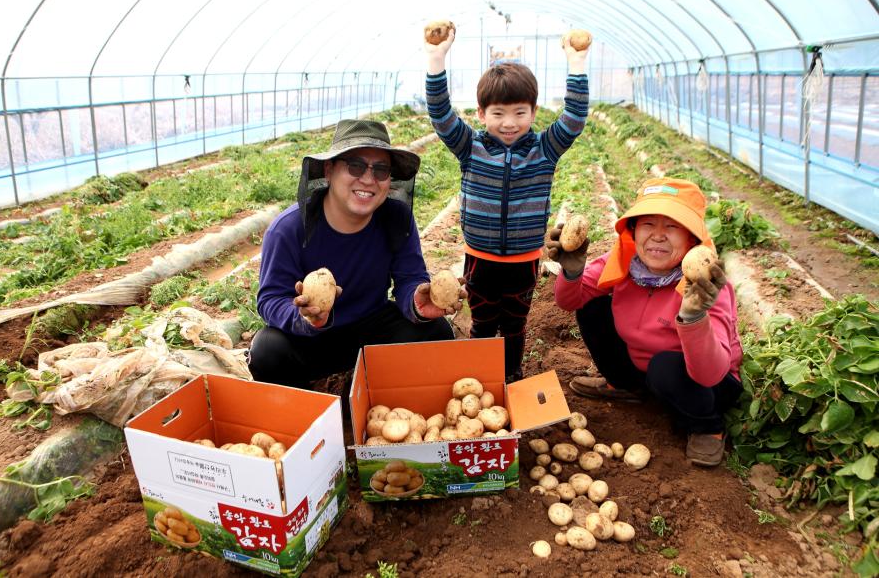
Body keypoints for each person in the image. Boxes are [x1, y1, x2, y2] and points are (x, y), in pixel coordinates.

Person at [424, 23, 590, 381]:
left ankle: (512, 373)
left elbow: (574, 118)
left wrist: (576, 63)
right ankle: (481, 379)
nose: (510, 123)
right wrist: (436, 60)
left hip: (524, 259)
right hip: (480, 258)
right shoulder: (471, 148)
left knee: (515, 321)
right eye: (498, 113)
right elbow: (440, 114)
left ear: (533, 112)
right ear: (482, 114)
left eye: (519, 112)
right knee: (483, 320)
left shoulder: (545, 150)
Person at [546, 177, 743, 467]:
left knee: (664, 367)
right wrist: (572, 272)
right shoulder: (624, 262)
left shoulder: (705, 284)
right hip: (645, 371)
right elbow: (569, 301)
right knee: (593, 308)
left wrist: (694, 317)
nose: (658, 236)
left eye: (672, 226)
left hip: (707, 385)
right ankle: (625, 386)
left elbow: (710, 374)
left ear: (692, 238)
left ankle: (706, 428)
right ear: (634, 231)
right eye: (648, 224)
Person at [248, 119, 458, 388]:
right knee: (267, 352)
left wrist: (417, 301)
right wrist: (307, 318)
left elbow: (410, 277)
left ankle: (377, 387)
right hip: (311, 339)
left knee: (437, 331)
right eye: (355, 166)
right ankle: (311, 409)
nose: (369, 179)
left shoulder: (396, 218)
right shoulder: (288, 229)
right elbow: (271, 298)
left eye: (381, 170)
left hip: (372, 330)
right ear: (329, 170)